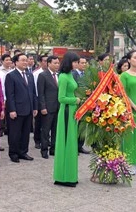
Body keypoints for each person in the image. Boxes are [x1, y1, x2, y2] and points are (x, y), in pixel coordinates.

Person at [54, 52, 81, 187]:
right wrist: (75, 100)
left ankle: (70, 174)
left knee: (71, 143)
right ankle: (63, 176)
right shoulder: (63, 77)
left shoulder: (71, 74)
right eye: (75, 62)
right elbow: (61, 98)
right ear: (69, 62)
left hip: (72, 111)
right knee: (65, 142)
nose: (77, 64)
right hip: (66, 111)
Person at [5, 54, 38, 163]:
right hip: (17, 109)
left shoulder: (30, 75)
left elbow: (33, 93)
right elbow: (10, 95)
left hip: (28, 109)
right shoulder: (11, 76)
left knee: (25, 133)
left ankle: (23, 151)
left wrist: (35, 107)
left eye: (26, 60)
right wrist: (12, 110)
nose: (25, 62)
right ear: (16, 62)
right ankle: (13, 153)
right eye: (22, 60)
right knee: (15, 133)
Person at [37, 55, 60, 159]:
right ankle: (44, 150)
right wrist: (43, 107)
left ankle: (53, 149)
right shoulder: (43, 75)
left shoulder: (59, 75)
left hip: (58, 107)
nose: (57, 65)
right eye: (55, 63)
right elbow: (40, 93)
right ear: (49, 63)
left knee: (55, 130)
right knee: (45, 130)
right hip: (47, 107)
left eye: (58, 63)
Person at [71, 57, 90, 154]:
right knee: (75, 125)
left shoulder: (88, 74)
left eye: (85, 63)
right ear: (77, 64)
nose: (84, 65)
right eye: (82, 63)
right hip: (76, 103)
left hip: (86, 103)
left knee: (83, 126)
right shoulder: (72, 74)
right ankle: (73, 146)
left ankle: (80, 145)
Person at [32, 54, 49, 150]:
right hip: (38, 99)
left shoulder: (53, 73)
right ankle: (37, 140)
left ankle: (46, 140)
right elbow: (35, 89)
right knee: (38, 122)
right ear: (40, 62)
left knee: (47, 123)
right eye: (44, 61)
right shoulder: (36, 73)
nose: (46, 63)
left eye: (47, 61)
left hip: (49, 100)